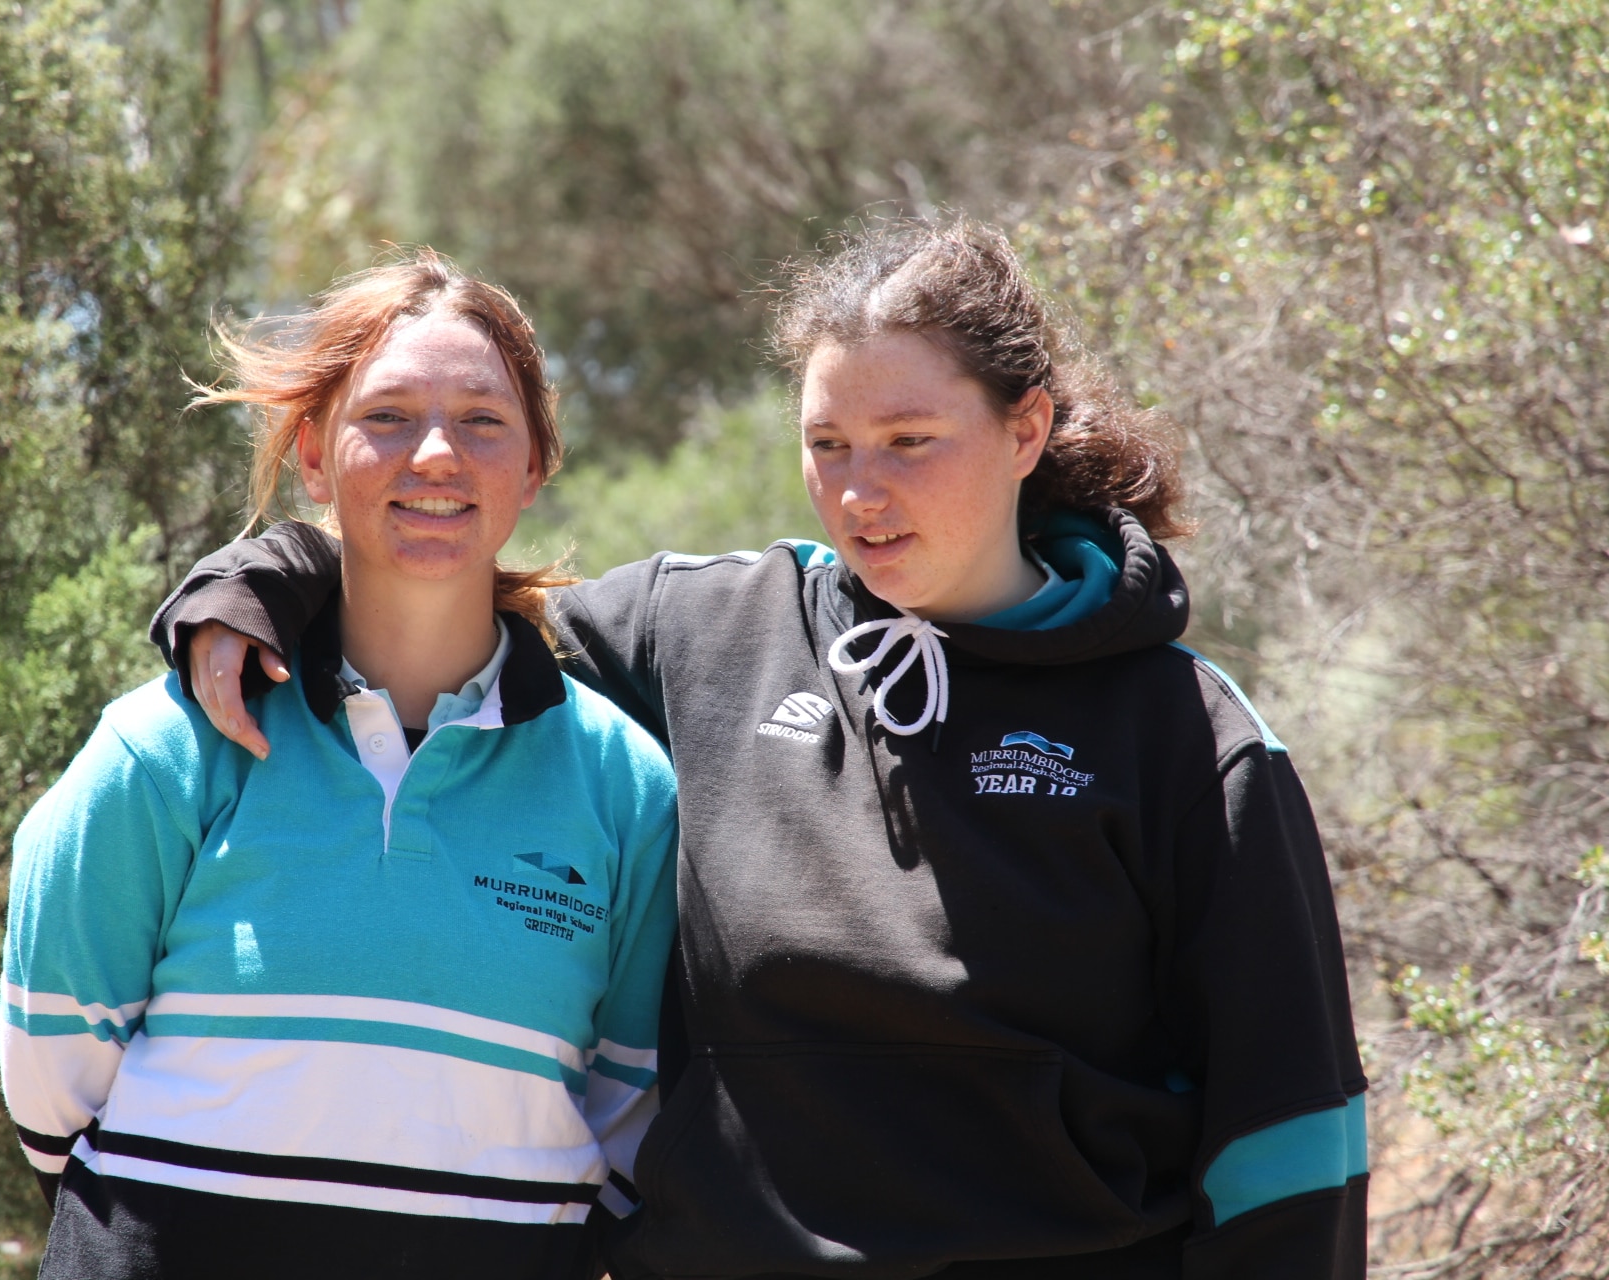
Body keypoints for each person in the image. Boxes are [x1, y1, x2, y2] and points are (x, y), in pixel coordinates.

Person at [150, 221, 1367, 1278]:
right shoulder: (704, 634)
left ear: (1026, 428)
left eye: (908, 439)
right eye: (828, 443)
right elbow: (440, 612)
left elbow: (1288, 1136)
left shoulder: (1183, 733)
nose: (859, 491)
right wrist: (272, 573)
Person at [0, 253, 678, 1279]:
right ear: (315, 458)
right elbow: (52, 1087)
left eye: (484, 421)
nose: (437, 453)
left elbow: (626, 1119)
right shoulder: (171, 744)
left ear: (536, 466)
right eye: (390, 415)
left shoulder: (623, 786)